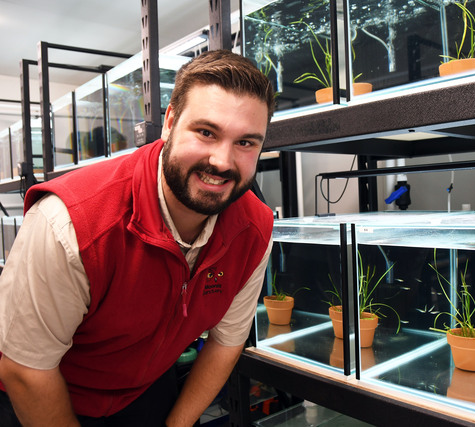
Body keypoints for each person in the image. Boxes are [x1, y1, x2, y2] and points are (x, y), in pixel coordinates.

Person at [0, 49, 276, 426]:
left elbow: (226, 342)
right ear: (170, 122)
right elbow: (26, 369)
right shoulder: (69, 223)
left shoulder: (254, 228)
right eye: (206, 132)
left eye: (246, 143)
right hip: (42, 392)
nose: (222, 161)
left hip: (144, 387)